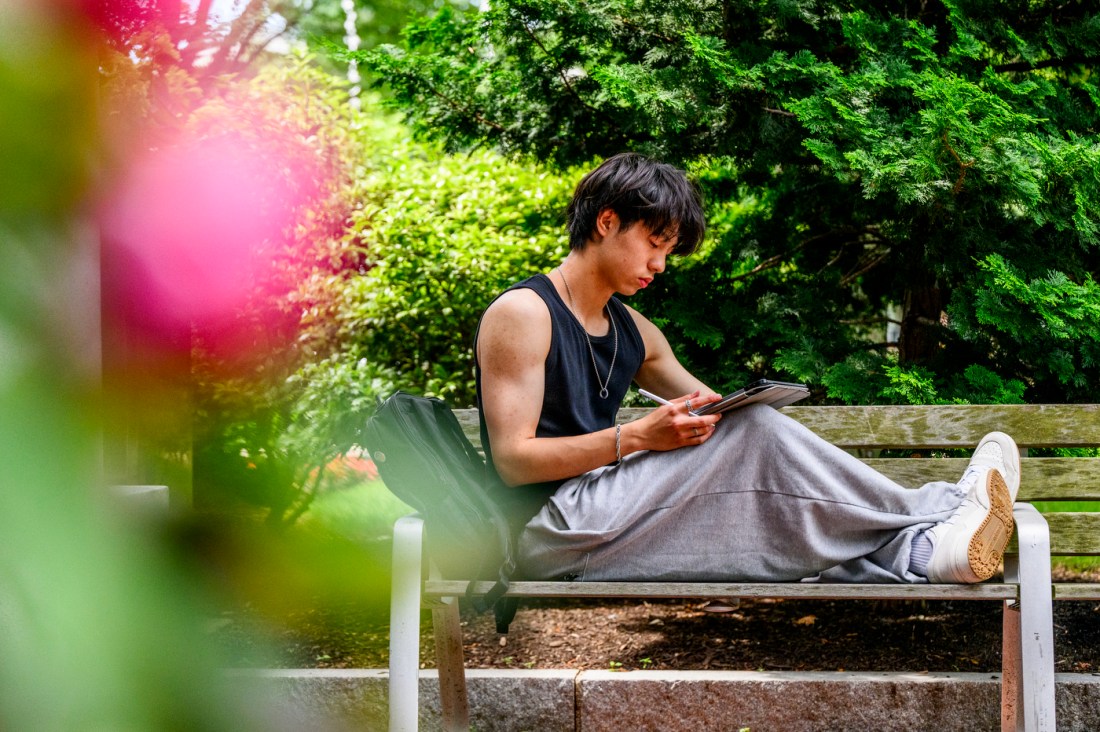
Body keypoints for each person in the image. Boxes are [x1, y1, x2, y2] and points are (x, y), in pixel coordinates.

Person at [474, 152, 1019, 585]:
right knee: (754, 430)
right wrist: (638, 436)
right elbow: (513, 462)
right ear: (607, 220)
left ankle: (925, 553)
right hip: (548, 528)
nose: (659, 265)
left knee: (766, 495)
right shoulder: (524, 314)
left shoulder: (634, 331)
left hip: (609, 513)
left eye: (668, 251)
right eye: (654, 244)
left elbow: (720, 423)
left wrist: (729, 411)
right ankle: (943, 509)